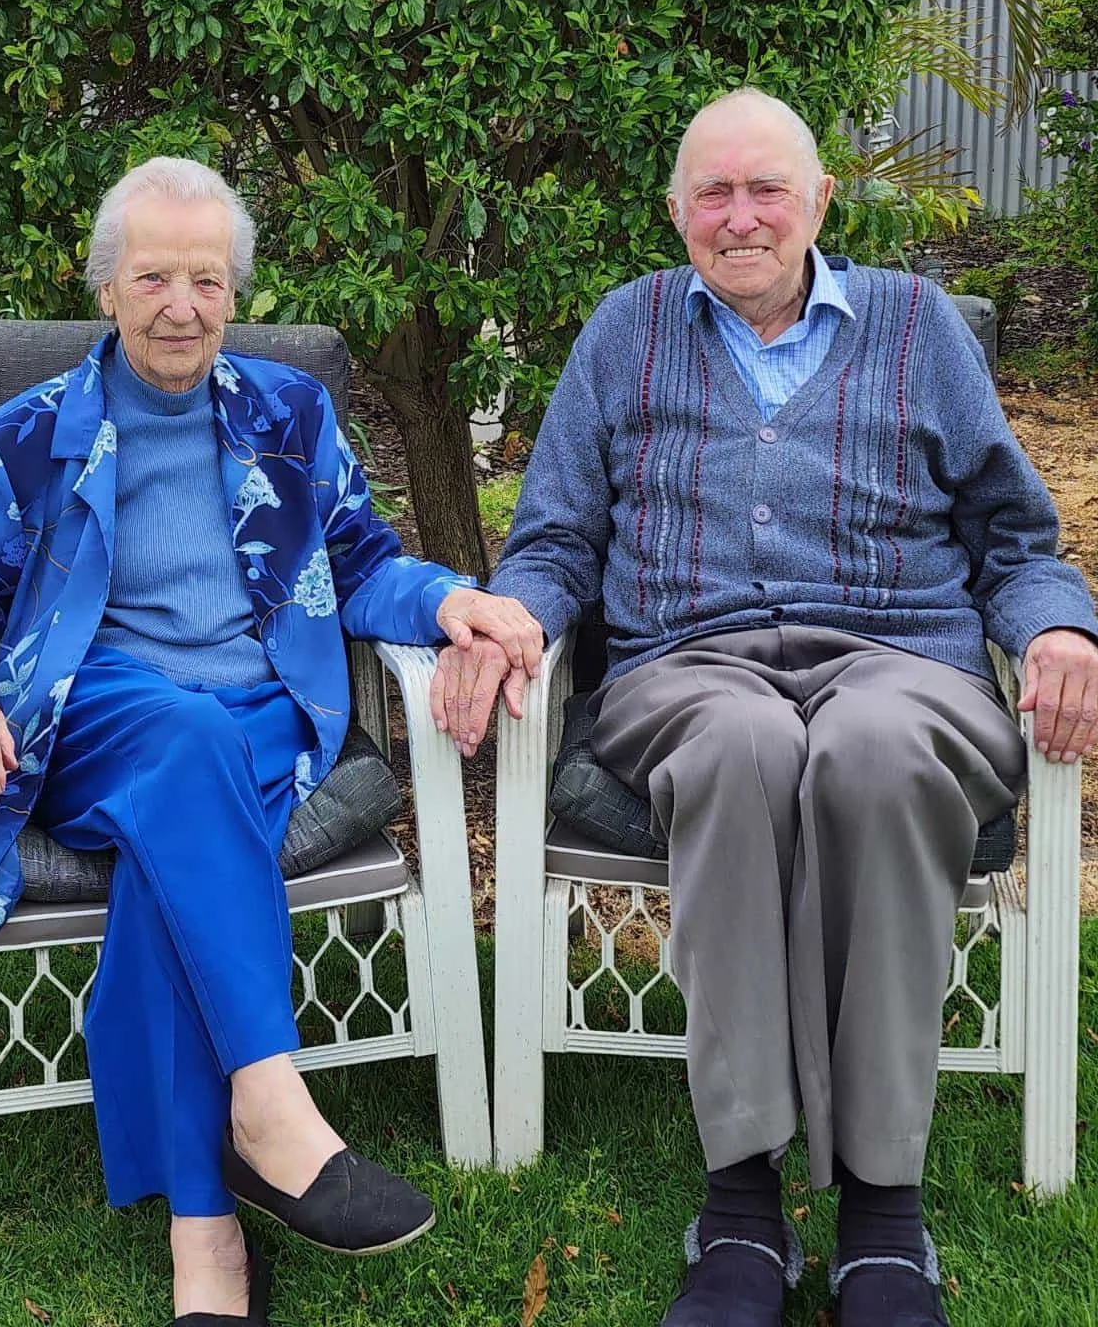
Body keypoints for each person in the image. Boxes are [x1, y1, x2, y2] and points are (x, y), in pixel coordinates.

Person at [430, 88, 1098, 1327]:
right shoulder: (625, 331)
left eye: (767, 189)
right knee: (746, 745)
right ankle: (740, 1202)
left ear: (820, 202)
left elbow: (1015, 537)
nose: (740, 217)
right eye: (714, 194)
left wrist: (1058, 626)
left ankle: (882, 1212)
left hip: (902, 659)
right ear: (677, 209)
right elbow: (557, 534)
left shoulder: (917, 327)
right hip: (689, 666)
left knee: (873, 750)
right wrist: (510, 612)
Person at [0, 157, 540, 1326]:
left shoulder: (288, 416)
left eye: (206, 279)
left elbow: (362, 560)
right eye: (153, 277)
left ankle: (207, 1234)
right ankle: (271, 1107)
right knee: (183, 736)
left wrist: (452, 599)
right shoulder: (26, 440)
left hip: (261, 721)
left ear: (234, 294)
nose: (181, 305)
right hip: (98, 721)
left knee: (180, 830)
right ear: (106, 289)